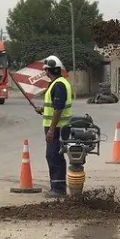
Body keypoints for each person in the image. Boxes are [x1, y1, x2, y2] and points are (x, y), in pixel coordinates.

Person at [34, 55, 73, 198]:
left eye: (46, 71)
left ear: (48, 71)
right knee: (54, 156)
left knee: (53, 156)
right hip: (59, 127)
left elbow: (58, 109)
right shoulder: (60, 83)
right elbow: (54, 106)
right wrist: (43, 109)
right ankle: (57, 187)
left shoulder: (59, 85)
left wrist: (51, 130)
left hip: (58, 128)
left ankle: (58, 189)